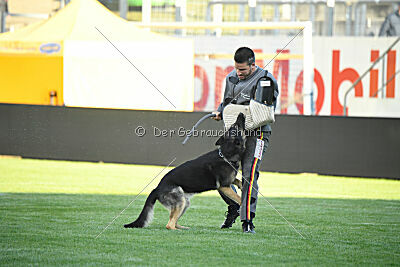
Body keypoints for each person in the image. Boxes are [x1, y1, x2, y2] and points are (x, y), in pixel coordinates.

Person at [212, 47, 279, 233]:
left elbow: (262, 112)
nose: (238, 73)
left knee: (249, 176)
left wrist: (236, 113)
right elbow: (227, 102)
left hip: (257, 134)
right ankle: (234, 205)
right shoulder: (231, 78)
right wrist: (220, 111)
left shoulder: (266, 80)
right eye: (236, 68)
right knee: (220, 174)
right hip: (234, 136)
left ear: (253, 65)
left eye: (242, 70)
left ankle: (247, 221)